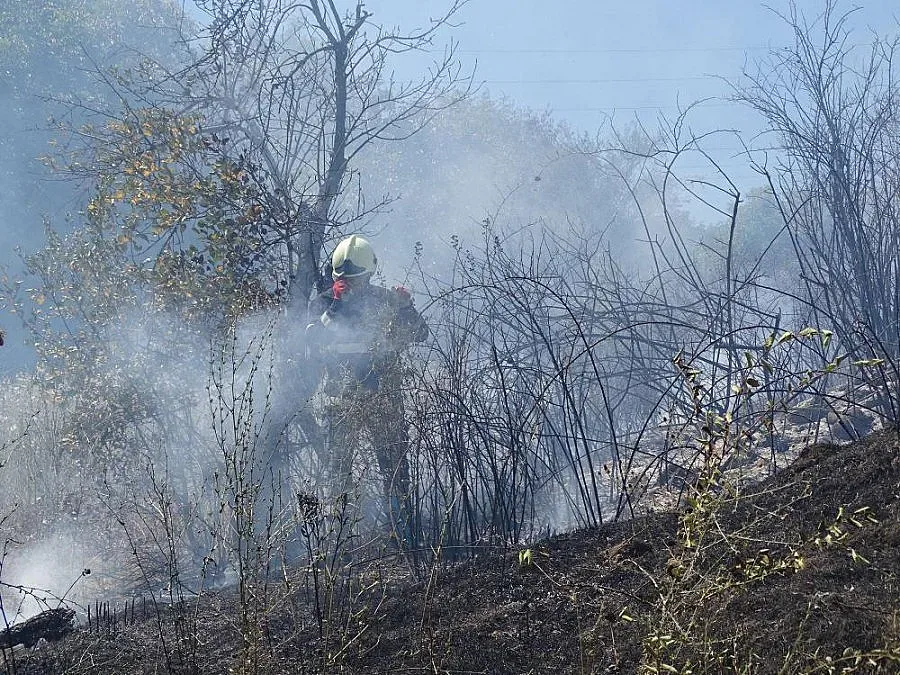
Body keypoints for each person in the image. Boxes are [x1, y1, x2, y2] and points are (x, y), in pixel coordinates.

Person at [307, 235, 428, 544]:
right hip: (340, 403)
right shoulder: (322, 303)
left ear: (368, 275)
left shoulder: (387, 301)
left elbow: (420, 335)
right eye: (344, 279)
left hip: (384, 400)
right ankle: (338, 545)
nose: (351, 285)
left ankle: (404, 537)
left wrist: (406, 307)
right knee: (338, 476)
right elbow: (312, 344)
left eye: (355, 279)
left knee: (395, 469)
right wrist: (336, 306)